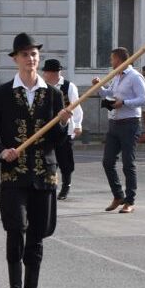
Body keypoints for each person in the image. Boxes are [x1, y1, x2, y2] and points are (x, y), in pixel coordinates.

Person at [0, 33, 72, 288]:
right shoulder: (2, 94)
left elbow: (56, 141)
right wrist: (0, 151)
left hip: (43, 175)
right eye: (24, 55)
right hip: (14, 175)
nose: (30, 59)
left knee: (37, 234)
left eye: (34, 54)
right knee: (15, 229)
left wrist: (63, 125)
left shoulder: (54, 95)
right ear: (15, 59)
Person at [93, 47, 145, 214]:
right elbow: (110, 93)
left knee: (128, 163)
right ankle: (118, 195)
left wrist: (124, 103)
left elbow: (144, 99)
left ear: (119, 59)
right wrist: (99, 88)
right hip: (114, 123)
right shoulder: (116, 76)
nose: (111, 62)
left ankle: (130, 201)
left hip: (130, 124)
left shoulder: (135, 77)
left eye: (112, 59)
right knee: (107, 161)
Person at [41, 59, 83, 201]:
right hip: (47, 130)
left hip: (65, 129)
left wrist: (77, 125)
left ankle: (66, 186)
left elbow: (76, 107)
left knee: (65, 159)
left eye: (47, 72)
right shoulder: (42, 86)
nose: (45, 75)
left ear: (53, 73)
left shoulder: (68, 86)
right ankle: (49, 185)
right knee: (48, 159)